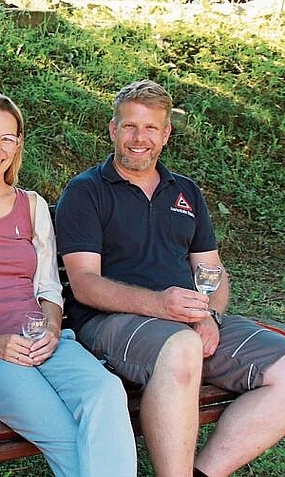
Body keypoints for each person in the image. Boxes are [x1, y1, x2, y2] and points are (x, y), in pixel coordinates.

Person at [55, 79, 285, 477]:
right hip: (110, 323)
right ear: (113, 130)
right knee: (181, 348)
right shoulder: (86, 192)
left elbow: (211, 270)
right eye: (129, 126)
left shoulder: (186, 191)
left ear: (165, 134)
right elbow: (85, 284)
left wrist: (209, 315)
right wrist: (161, 306)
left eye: (150, 128)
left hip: (188, 320)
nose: (138, 138)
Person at [0, 93, 137, 477]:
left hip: (41, 340)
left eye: (7, 139)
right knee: (64, 432)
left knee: (105, 393)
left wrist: (53, 330)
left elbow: (49, 289)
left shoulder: (33, 205)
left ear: (18, 144)